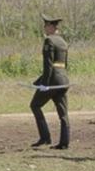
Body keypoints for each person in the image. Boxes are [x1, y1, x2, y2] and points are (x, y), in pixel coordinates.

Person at [28, 17, 71, 150]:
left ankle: (45, 137)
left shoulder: (49, 41)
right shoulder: (63, 42)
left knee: (35, 105)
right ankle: (64, 142)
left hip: (52, 81)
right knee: (63, 113)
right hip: (63, 80)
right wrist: (38, 81)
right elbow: (63, 65)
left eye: (46, 26)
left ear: (52, 27)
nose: (45, 29)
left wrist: (45, 84)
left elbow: (48, 65)